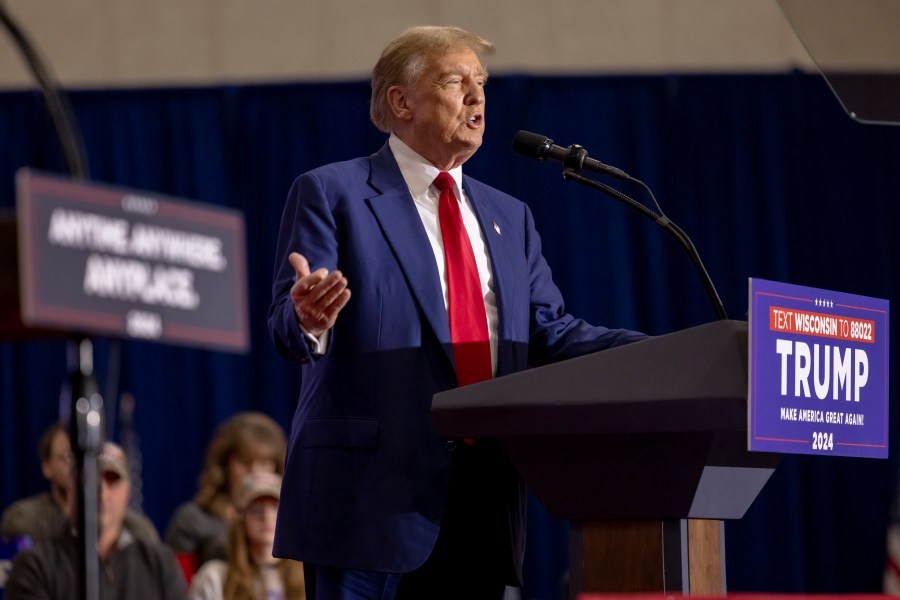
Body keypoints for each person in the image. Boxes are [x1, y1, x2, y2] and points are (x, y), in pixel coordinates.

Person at [267, 25, 647, 599]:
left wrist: (664, 353)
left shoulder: (509, 216)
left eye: (481, 83)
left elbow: (548, 334)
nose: (477, 97)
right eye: (455, 81)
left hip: (482, 502)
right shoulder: (334, 192)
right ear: (401, 102)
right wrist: (309, 319)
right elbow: (287, 324)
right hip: (367, 504)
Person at [4, 441, 187, 600]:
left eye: (112, 480)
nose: (102, 493)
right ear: (71, 490)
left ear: (127, 492)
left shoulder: (160, 563)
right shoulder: (35, 567)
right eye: (90, 479)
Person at [165, 411, 287, 576]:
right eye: (245, 463)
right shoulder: (192, 520)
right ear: (224, 466)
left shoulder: (290, 520)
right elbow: (177, 587)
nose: (255, 472)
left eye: (264, 463)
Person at [1, 421, 159, 544]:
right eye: (67, 458)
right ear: (46, 466)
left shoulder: (137, 529)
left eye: (87, 456)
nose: (79, 466)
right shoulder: (23, 518)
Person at [188, 472, 305, 600]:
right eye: (256, 509)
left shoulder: (307, 578)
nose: (266, 517)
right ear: (240, 519)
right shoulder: (214, 579)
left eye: (275, 508)